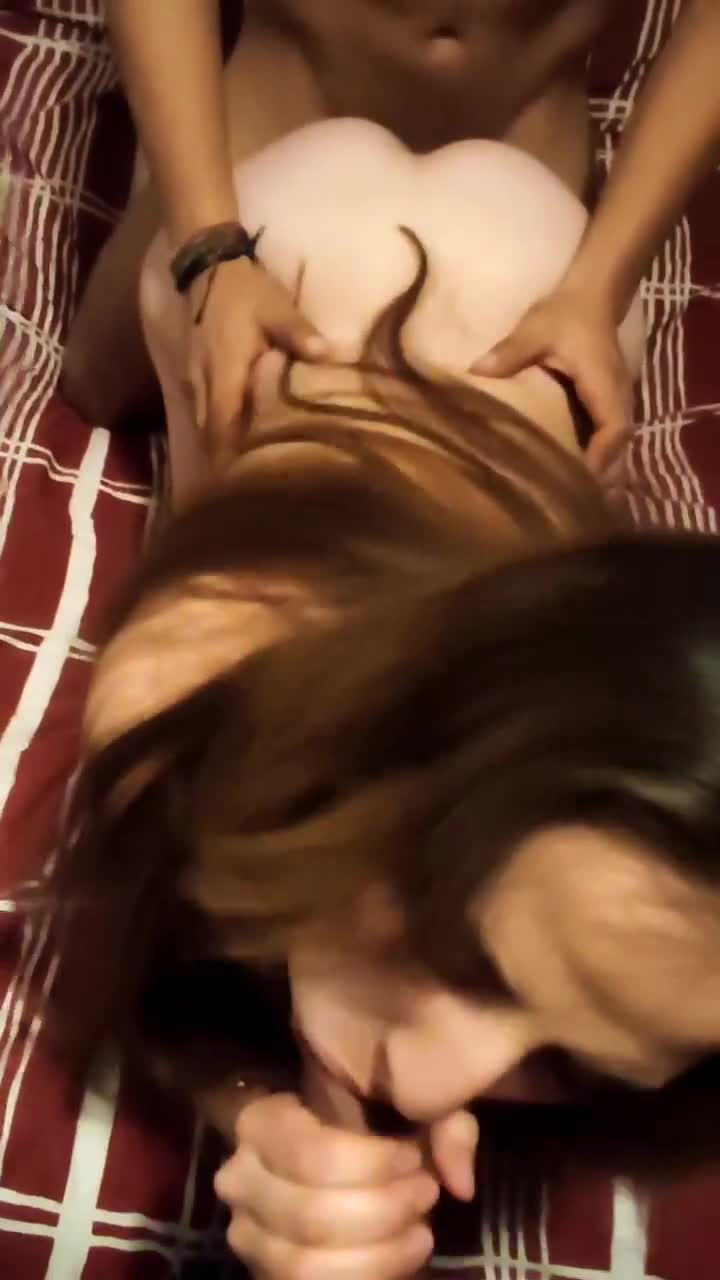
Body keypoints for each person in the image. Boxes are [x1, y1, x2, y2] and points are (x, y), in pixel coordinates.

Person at [34, 115, 720, 1279]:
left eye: (567, 1063)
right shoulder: (184, 687)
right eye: (464, 944)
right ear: (415, 737)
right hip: (331, 218)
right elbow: (153, 957)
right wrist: (252, 1091)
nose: (438, 1083)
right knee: (101, 381)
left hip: (539, 304)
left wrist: (283, 1118)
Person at [61, 0, 720, 474]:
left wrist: (598, 286)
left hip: (525, 128)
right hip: (283, 100)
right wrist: (210, 246)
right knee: (111, 381)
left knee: (502, 499)